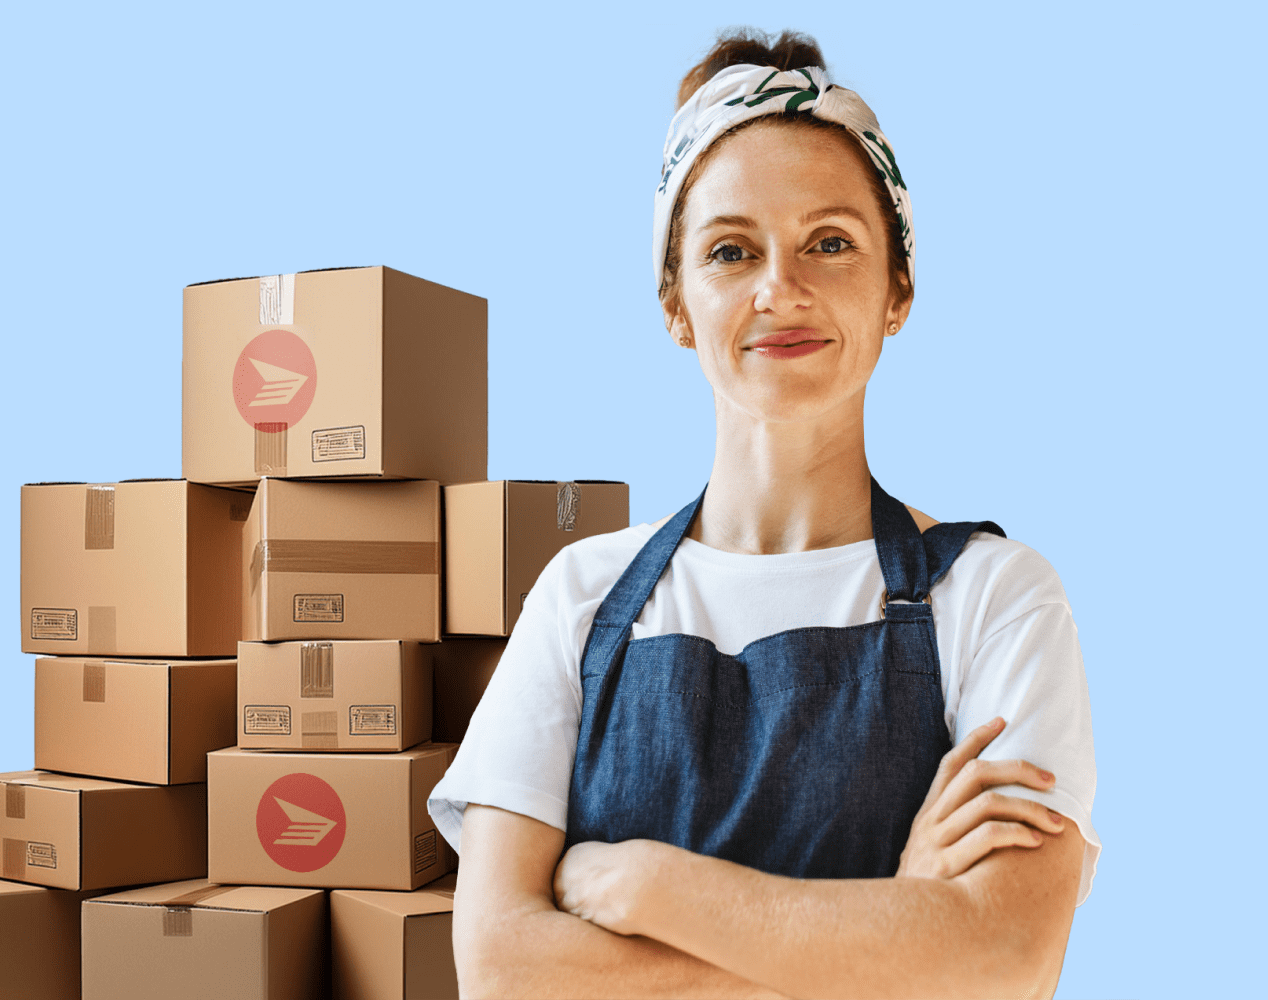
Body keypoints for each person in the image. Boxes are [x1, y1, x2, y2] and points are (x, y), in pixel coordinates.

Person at [426, 28, 1101, 999]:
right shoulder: (583, 596)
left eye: (830, 243)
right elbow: (499, 967)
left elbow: (1004, 960)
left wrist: (651, 885)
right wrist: (896, 937)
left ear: (898, 287)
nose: (780, 289)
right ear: (676, 303)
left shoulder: (998, 598)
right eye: (731, 251)